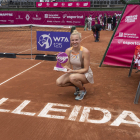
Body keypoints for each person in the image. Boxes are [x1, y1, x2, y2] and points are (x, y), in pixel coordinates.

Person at [56, 30, 94, 100]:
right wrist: (61, 68)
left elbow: (85, 69)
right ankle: (77, 85)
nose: (74, 42)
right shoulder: (68, 50)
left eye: (76, 40)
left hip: (85, 74)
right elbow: (67, 66)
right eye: (72, 40)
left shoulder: (85, 52)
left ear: (80, 40)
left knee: (72, 77)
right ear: (70, 41)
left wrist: (72, 71)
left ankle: (82, 90)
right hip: (74, 72)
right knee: (59, 82)